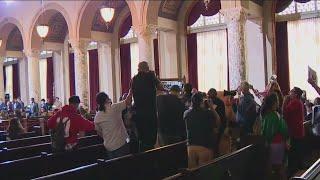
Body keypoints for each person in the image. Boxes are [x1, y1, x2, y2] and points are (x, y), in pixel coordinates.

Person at [131, 61, 166, 151]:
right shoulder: (150, 76)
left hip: (138, 114)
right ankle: (151, 160)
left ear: (138, 69)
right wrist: (156, 78)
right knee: (150, 140)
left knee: (142, 139)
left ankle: (142, 160)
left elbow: (131, 93)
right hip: (150, 114)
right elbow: (161, 88)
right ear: (147, 68)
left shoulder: (134, 79)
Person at [94, 91, 132, 159]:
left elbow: (99, 132)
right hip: (121, 144)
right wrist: (131, 90)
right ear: (106, 99)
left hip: (108, 147)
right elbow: (128, 101)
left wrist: (108, 138)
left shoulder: (97, 116)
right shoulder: (113, 108)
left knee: (113, 167)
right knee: (125, 166)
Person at [184, 93, 218, 168]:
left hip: (191, 145)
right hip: (205, 145)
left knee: (192, 173)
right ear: (201, 102)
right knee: (204, 174)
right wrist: (212, 107)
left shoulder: (186, 113)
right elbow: (218, 122)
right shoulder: (208, 113)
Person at [261, 93, 288, 180]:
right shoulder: (275, 115)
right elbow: (284, 130)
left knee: (273, 168)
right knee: (279, 168)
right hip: (277, 143)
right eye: (277, 101)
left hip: (270, 143)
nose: (278, 103)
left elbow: (265, 132)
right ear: (274, 103)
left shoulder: (266, 115)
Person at [283, 87, 305, 176]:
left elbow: (285, 112)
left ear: (295, 94)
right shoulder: (297, 102)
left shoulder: (295, 102)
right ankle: (298, 166)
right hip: (297, 130)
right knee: (297, 150)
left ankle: (292, 170)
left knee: (293, 152)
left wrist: (284, 101)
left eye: (291, 91)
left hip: (295, 131)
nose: (289, 93)